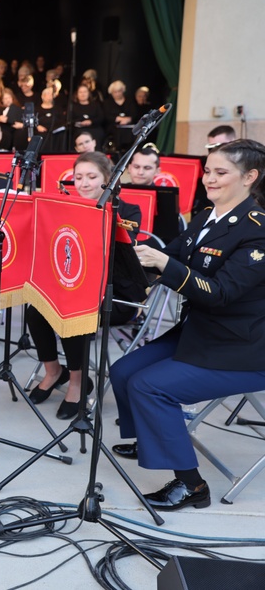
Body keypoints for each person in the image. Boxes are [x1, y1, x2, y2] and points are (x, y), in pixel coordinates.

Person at [109, 140, 265, 511]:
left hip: (240, 348)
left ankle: (192, 487)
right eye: (207, 170)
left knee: (149, 387)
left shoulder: (257, 231)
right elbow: (174, 256)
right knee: (123, 370)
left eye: (220, 172)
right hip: (202, 333)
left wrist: (164, 264)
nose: (209, 179)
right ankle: (151, 437)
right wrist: (128, 255)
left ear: (250, 177)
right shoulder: (206, 217)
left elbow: (220, 292)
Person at [25, 152, 141, 419]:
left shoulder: (127, 210)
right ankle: (54, 371)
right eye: (78, 177)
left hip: (114, 294)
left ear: (108, 179)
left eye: (92, 177)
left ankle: (77, 382)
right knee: (35, 311)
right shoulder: (66, 206)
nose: (84, 183)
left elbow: (126, 258)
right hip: (71, 285)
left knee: (74, 312)